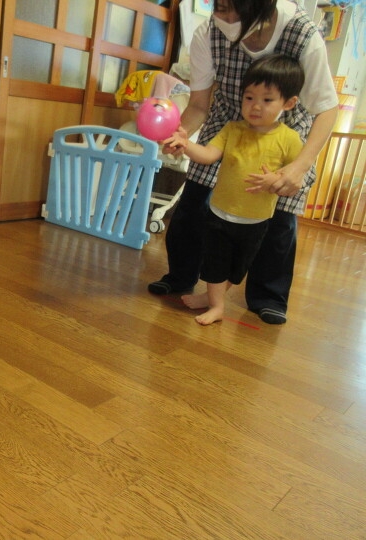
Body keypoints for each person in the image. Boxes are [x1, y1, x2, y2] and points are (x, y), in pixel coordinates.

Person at [148, 0, 338, 325]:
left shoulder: (302, 33)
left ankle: (268, 296)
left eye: (229, 9)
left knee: (279, 219)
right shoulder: (208, 34)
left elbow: (326, 108)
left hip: (283, 132)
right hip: (228, 126)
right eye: (218, 7)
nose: (220, 17)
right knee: (193, 204)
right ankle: (181, 276)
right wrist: (181, 135)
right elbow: (199, 104)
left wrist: (298, 167)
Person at [166, 54, 304, 325]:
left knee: (238, 268)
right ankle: (217, 305)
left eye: (267, 100)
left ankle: (210, 297)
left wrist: (275, 180)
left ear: (288, 103)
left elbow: (292, 179)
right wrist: (186, 144)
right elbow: (208, 155)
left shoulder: (290, 139)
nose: (255, 106)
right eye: (249, 97)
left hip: (257, 220)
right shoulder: (232, 129)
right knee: (215, 262)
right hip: (220, 214)